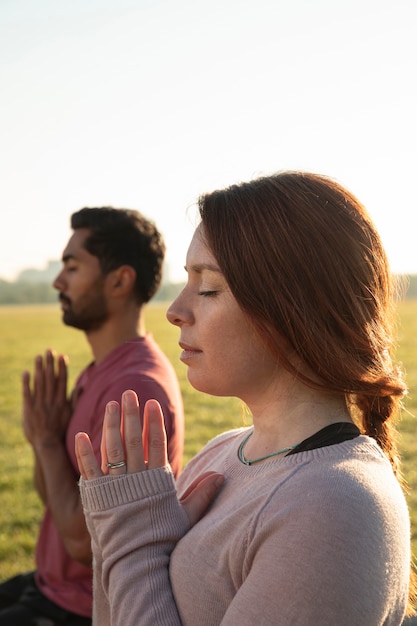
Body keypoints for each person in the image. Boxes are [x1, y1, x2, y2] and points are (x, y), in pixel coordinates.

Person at [75, 173, 415, 625]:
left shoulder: (333, 506)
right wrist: (123, 536)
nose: (176, 310)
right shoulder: (225, 451)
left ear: (293, 308)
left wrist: (131, 538)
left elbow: (135, 563)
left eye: (209, 287)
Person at [0, 207, 184, 625]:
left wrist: (47, 441)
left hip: (87, 608)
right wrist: (41, 440)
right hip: (51, 587)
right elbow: (55, 499)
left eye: (72, 266)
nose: (57, 281)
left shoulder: (133, 387)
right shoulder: (102, 371)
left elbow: (86, 542)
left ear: (119, 280)